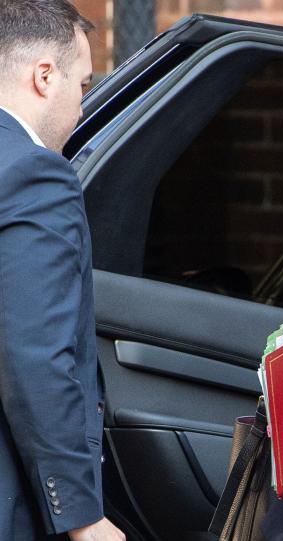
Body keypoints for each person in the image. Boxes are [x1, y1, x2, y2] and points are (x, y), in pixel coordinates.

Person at [0, 1, 125, 540]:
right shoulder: (35, 174)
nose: (81, 106)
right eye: (82, 84)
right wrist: (81, 516)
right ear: (44, 76)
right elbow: (32, 354)